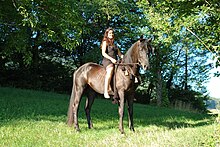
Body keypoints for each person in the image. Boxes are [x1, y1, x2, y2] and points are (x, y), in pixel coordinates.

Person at [101, 28, 123, 99]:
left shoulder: (115, 45)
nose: (111, 34)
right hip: (107, 61)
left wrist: (127, 57)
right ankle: (105, 91)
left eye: (112, 33)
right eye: (110, 33)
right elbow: (103, 53)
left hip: (115, 61)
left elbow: (120, 55)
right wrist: (111, 59)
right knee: (110, 70)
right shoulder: (105, 42)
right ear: (107, 34)